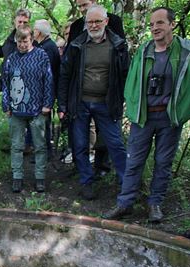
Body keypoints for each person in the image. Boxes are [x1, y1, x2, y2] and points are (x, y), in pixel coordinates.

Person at [103, 7, 190, 223]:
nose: (155, 28)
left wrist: (186, 110)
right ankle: (125, 204)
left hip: (169, 118)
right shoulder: (144, 51)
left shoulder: (186, 53)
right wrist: (132, 107)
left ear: (172, 24)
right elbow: (132, 83)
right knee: (134, 161)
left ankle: (155, 204)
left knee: (163, 162)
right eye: (152, 24)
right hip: (143, 116)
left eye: (160, 23)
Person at [58, 5, 129, 200]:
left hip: (107, 104)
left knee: (115, 144)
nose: (94, 25)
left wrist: (124, 100)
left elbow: (125, 75)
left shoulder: (118, 45)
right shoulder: (77, 45)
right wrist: (62, 105)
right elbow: (65, 75)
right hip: (80, 103)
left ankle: (126, 185)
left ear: (106, 21)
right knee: (80, 145)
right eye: (90, 21)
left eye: (98, 21)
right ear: (85, 23)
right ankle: (86, 182)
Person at [2, 25, 53, 193]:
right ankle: (17, 177)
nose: (22, 44)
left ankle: (40, 178)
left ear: (31, 39)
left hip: (37, 109)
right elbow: (6, 82)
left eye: (25, 41)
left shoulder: (41, 56)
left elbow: (48, 80)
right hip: (16, 110)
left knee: (39, 145)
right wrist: (6, 105)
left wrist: (47, 104)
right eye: (19, 41)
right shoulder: (11, 58)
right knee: (17, 145)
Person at [33, 19, 61, 158]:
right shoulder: (44, 45)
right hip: (42, 91)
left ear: (38, 32)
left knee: (43, 122)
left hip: (45, 92)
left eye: (34, 30)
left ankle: (45, 153)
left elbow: (46, 73)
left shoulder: (48, 47)